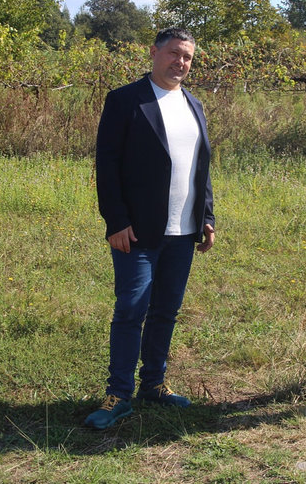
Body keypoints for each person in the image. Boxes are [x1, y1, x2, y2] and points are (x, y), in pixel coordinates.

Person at [85, 27, 216, 430]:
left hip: (182, 230)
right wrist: (116, 221)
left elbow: (201, 167)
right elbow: (107, 164)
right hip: (137, 230)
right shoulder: (126, 100)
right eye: (175, 53)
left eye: (188, 57)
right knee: (131, 310)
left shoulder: (194, 105)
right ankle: (118, 394)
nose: (181, 62)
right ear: (154, 52)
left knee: (165, 312)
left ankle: (154, 384)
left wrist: (207, 216)